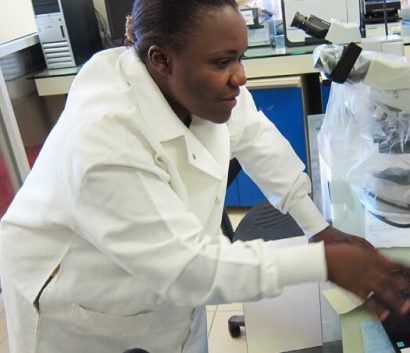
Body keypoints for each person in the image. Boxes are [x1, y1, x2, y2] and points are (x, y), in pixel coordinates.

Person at [1, 1, 410, 353]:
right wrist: (327, 261)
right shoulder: (104, 137)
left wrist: (318, 228)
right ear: (161, 59)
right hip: (82, 304)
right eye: (223, 62)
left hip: (170, 289)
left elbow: (255, 137)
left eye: (240, 58)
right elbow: (185, 268)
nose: (240, 76)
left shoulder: (195, 81)